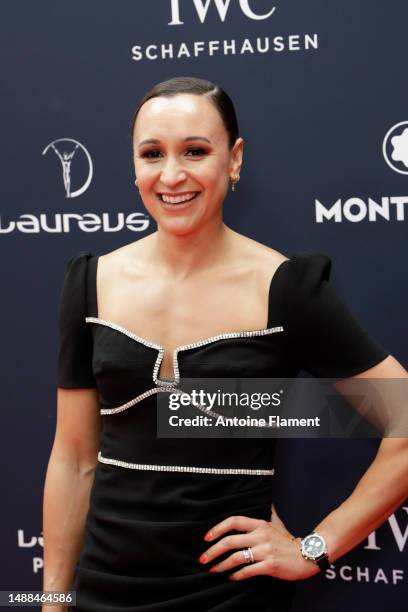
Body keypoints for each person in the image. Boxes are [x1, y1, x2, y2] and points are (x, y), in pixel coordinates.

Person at [42, 76, 408, 612]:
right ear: (135, 165)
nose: (171, 175)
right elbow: (74, 459)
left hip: (232, 594)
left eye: (195, 150)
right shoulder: (90, 282)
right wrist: (52, 602)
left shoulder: (284, 289)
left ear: (233, 160)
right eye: (152, 154)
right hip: (105, 588)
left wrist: (314, 548)